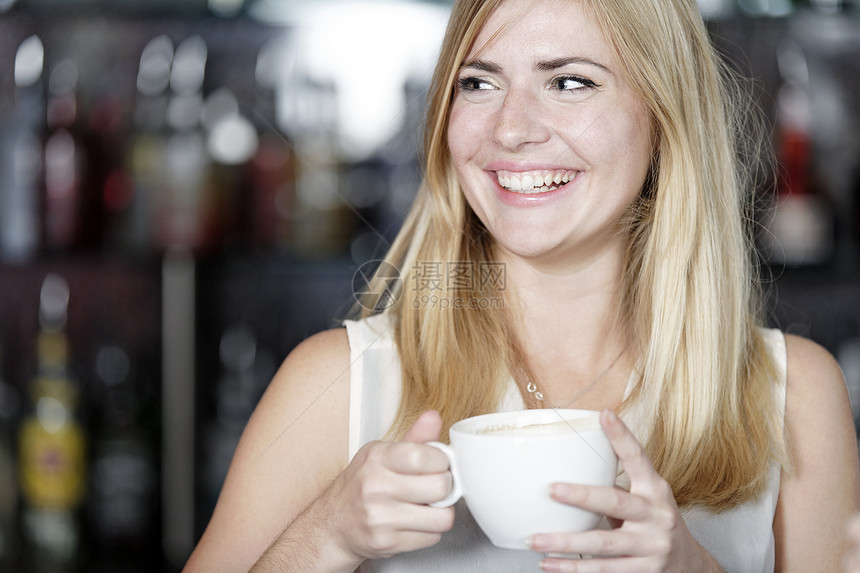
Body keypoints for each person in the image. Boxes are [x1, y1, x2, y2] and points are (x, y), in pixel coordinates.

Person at [183, 0, 860, 571]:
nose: (510, 128)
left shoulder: (793, 395)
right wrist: (324, 533)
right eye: (478, 83)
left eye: (569, 82)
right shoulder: (337, 384)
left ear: (663, 117)